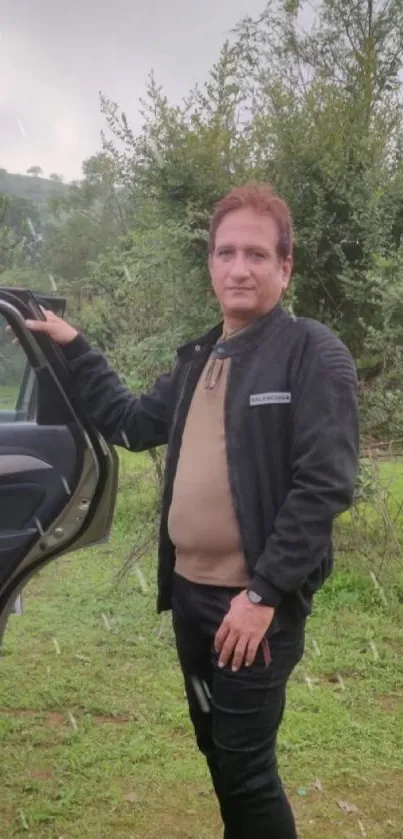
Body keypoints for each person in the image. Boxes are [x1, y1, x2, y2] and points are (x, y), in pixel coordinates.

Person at [23, 183, 359, 839]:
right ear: (209, 264)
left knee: (246, 768)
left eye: (257, 254)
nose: (239, 267)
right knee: (218, 750)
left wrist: (262, 594)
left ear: (284, 268)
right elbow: (127, 420)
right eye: (226, 251)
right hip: (193, 599)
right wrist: (74, 345)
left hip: (251, 608)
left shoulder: (310, 354)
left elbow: (323, 483)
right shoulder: (200, 357)